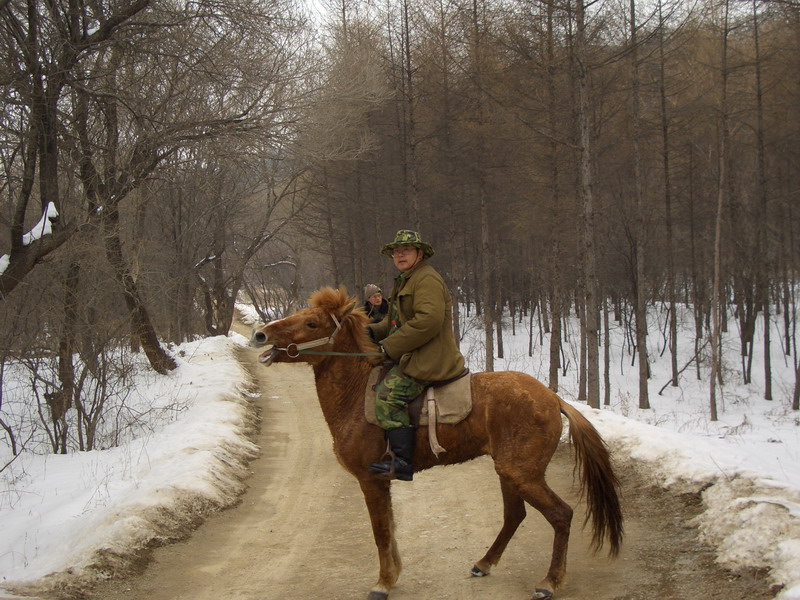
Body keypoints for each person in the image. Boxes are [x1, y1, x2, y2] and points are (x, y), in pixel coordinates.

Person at [366, 230, 465, 481]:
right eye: (396, 251)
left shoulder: (426, 279)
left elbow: (428, 321)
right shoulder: (406, 279)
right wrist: (369, 332)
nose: (400, 254)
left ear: (419, 254)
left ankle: (402, 463)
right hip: (414, 350)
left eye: (406, 250)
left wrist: (389, 347)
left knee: (388, 395)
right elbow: (394, 320)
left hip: (430, 357)